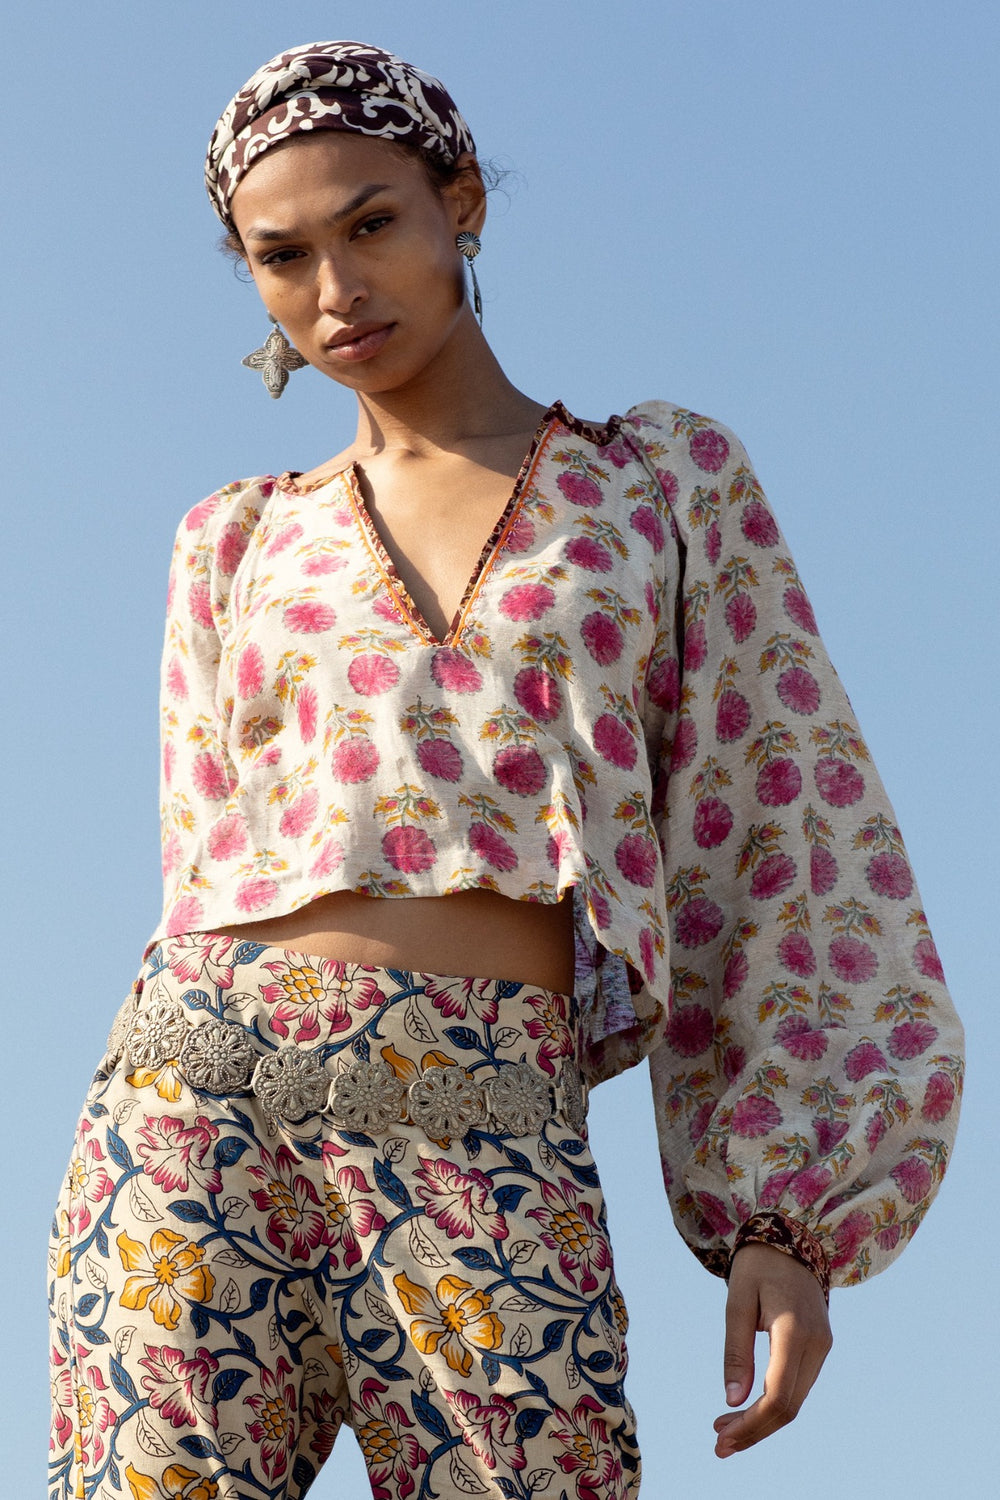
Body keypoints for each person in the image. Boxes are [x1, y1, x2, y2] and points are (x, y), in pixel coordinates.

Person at [48, 39, 964, 1500]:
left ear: (460, 201)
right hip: (195, 1096)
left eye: (372, 224)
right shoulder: (230, 538)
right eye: (280, 257)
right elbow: (201, 854)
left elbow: (787, 825)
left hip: (487, 1106)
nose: (336, 291)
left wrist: (788, 1225)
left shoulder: (658, 485)